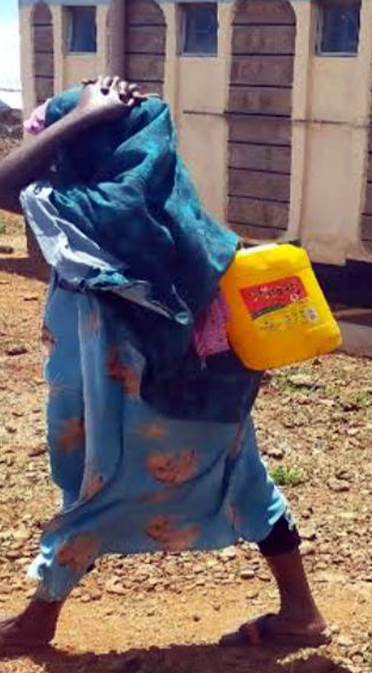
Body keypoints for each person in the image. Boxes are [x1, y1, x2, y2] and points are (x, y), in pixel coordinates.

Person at [0, 77, 326, 650]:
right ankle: (300, 613)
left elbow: (4, 185)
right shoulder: (179, 210)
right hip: (206, 397)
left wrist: (79, 117)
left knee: (98, 494)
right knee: (246, 483)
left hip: (130, 404)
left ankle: (37, 620)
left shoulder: (89, 211)